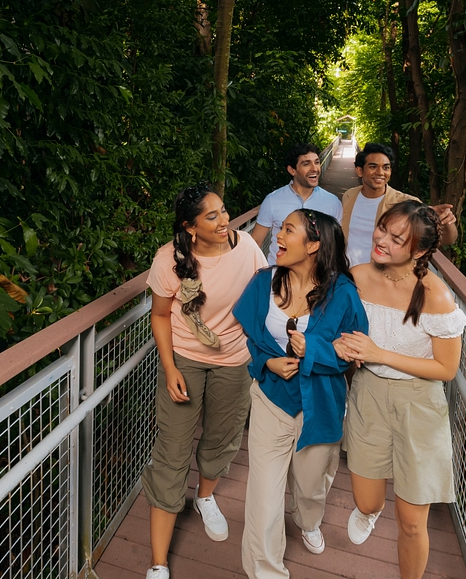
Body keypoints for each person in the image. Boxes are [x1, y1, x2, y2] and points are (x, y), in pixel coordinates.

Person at [334, 201, 466, 579]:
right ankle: (369, 512)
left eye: (397, 238)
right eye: (382, 230)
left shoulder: (435, 295)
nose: (383, 241)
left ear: (420, 250)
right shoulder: (357, 276)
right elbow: (336, 324)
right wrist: (342, 346)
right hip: (368, 395)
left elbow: (446, 368)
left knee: (411, 521)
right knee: (366, 498)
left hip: (419, 404)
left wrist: (379, 353)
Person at [142, 183, 268, 579]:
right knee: (173, 449)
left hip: (234, 359)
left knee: (222, 435)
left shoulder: (247, 248)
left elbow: (266, 298)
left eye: (224, 211)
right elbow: (160, 315)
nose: (224, 220)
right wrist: (170, 368)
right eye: (211, 216)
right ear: (190, 227)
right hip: (185, 359)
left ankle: (205, 497)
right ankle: (158, 563)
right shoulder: (169, 259)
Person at [233, 209, 367, 578]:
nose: (278, 234)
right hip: (271, 398)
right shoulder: (264, 282)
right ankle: (266, 570)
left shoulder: (343, 293)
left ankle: (308, 521)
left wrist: (314, 351)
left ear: (313, 245)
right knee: (264, 496)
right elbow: (253, 337)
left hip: (321, 404)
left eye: (288, 229)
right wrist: (267, 362)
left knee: (309, 488)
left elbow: (354, 352)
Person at [339, 143, 459, 267]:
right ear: (359, 171)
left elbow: (447, 240)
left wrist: (446, 221)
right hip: (346, 272)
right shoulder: (349, 195)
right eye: (373, 166)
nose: (380, 172)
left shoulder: (405, 203)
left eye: (386, 167)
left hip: (380, 276)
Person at [251, 143, 343, 265]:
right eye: (306, 164)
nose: (315, 168)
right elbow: (256, 242)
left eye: (316, 162)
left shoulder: (332, 202)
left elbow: (336, 244)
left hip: (317, 278)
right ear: (292, 170)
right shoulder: (272, 200)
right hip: (279, 275)